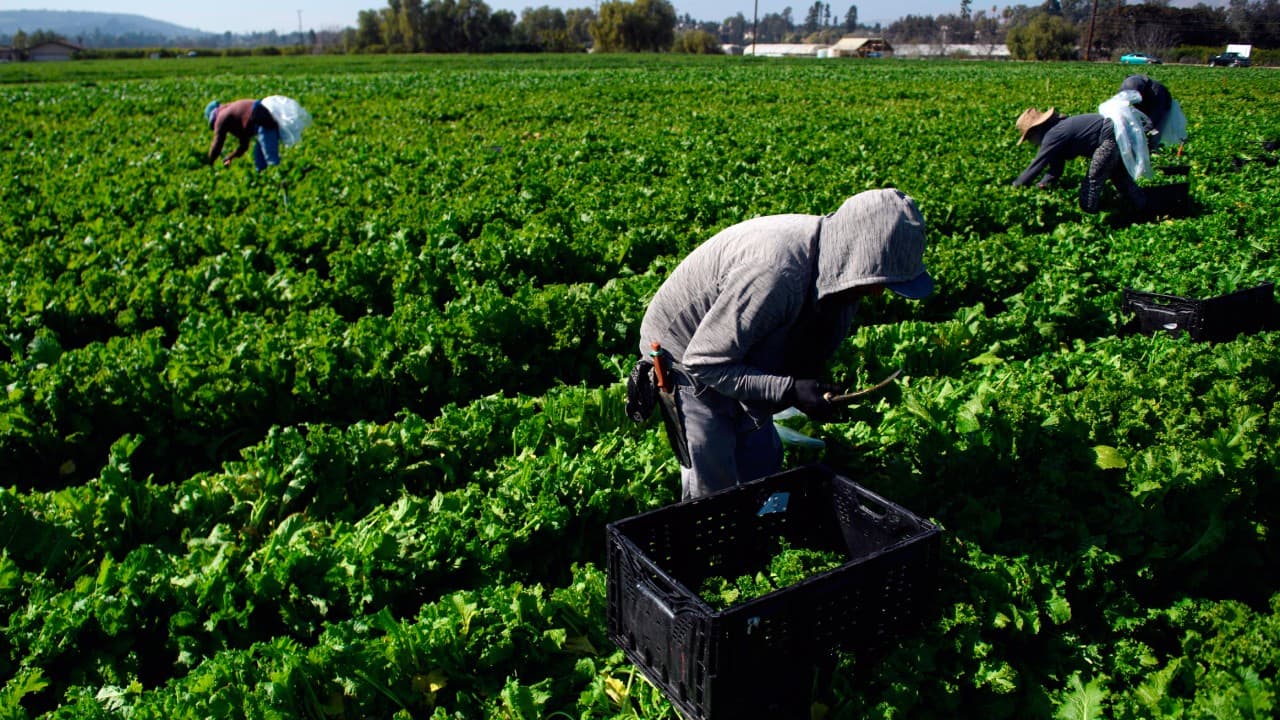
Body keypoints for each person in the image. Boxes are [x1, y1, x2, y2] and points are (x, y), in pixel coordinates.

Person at [637, 188, 934, 501]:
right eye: (877, 283)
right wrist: (789, 389)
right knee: (713, 478)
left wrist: (812, 388)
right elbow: (706, 362)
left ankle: (760, 530)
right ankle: (712, 538)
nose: (877, 294)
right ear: (855, 258)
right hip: (685, 356)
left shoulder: (844, 273)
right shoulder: (775, 273)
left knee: (761, 462)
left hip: (737, 343)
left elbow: (816, 342)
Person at [1012, 107, 1147, 214]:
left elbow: (1037, 165)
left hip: (1109, 137)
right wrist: (1043, 184)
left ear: (1037, 129)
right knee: (1119, 175)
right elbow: (1056, 168)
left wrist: (1017, 187)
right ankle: (1143, 206)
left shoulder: (1053, 134)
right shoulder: (1057, 132)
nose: (1031, 142)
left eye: (1030, 137)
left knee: (1091, 184)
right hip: (1118, 134)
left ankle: (1092, 218)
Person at [205, 99, 281, 172]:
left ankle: (278, 180)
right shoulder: (235, 115)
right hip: (264, 116)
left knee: (270, 159)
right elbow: (244, 145)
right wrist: (230, 157)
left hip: (263, 118)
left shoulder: (221, 116)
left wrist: (210, 162)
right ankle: (267, 176)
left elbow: (218, 143)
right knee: (259, 159)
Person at [1119, 74, 1187, 150]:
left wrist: (1143, 131)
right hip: (1144, 105)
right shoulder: (1128, 85)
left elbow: (1154, 119)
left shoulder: (1157, 94)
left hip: (1160, 110)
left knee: (1154, 133)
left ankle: (1152, 150)